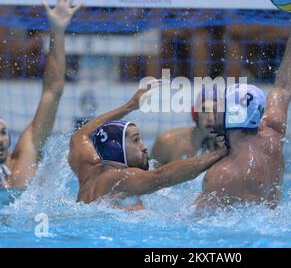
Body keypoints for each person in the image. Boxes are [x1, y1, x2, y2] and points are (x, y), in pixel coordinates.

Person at [195, 0, 291, 209]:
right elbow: (285, 87)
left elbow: (193, 224)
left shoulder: (221, 175)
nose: (214, 109)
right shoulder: (273, 138)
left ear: (232, 115)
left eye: (220, 105)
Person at [0, 0, 82, 190]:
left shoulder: (24, 159)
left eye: (3, 132)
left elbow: (53, 91)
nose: (0, 139)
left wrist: (57, 30)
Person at [68, 81, 228, 210]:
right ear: (117, 148)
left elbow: (80, 136)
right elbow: (163, 176)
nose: (144, 147)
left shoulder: (88, 169)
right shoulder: (119, 178)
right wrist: (220, 153)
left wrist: (130, 106)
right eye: (136, 140)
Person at [151, 88, 221, 167]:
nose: (210, 118)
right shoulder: (168, 143)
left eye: (216, 111)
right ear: (194, 114)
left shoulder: (230, 146)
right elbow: (152, 176)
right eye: (204, 110)